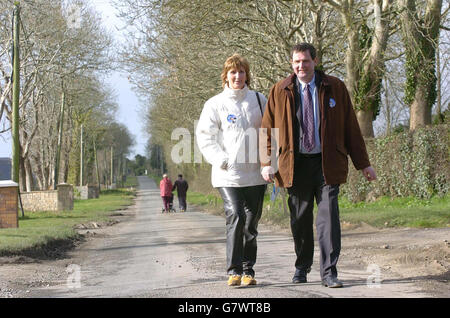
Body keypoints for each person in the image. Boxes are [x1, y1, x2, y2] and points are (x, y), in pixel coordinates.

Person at [260, 43, 376, 288]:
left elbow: (351, 128)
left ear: (315, 61)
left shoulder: (335, 87)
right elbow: (267, 131)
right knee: (300, 220)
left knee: (328, 218)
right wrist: (266, 163)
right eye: (296, 62)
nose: (301, 66)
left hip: (327, 163)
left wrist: (363, 164)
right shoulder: (280, 90)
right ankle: (302, 266)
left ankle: (329, 271)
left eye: (305, 61)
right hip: (294, 164)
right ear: (292, 64)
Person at [196, 53, 268, 287]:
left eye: (242, 72)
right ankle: (234, 270)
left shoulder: (259, 100)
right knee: (236, 215)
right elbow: (205, 137)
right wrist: (221, 159)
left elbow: (270, 133)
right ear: (225, 76)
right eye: (233, 72)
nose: (238, 76)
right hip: (227, 174)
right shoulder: (215, 104)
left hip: (256, 174)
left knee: (251, 224)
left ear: (247, 74)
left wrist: (269, 165)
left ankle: (248, 270)